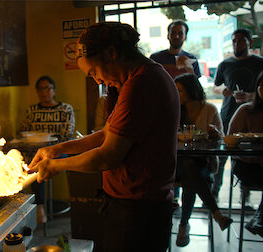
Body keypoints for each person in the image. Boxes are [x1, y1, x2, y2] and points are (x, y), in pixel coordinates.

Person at [28, 22, 180, 251]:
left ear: (111, 53)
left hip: (139, 211)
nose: (97, 80)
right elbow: (106, 134)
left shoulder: (142, 84)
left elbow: (107, 156)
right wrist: (57, 150)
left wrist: (57, 165)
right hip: (131, 206)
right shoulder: (136, 80)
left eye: (94, 72)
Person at [211, 28, 263, 202]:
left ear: (250, 42)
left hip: (253, 116)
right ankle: (214, 191)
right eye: (234, 41)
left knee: (249, 153)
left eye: (241, 40)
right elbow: (216, 87)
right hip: (227, 114)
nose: (237, 44)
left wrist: (251, 96)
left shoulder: (261, 63)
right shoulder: (225, 64)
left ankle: (245, 192)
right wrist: (223, 89)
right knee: (222, 156)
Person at [174, 74, 233, 247]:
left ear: (191, 91)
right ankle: (216, 213)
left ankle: (184, 225)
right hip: (177, 164)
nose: (176, 94)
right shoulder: (175, 110)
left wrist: (214, 135)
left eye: (180, 91)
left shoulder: (209, 110)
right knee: (189, 170)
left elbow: (220, 140)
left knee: (190, 174)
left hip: (203, 163)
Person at [228, 68, 263, 238]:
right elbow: (231, 145)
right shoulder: (245, 111)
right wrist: (258, 159)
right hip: (248, 166)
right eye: (262, 85)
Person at [150, 20, 201, 208]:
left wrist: (188, 70)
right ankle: (169, 193)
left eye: (180, 33)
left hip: (185, 111)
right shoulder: (156, 57)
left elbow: (196, 88)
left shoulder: (191, 58)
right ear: (168, 35)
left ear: (185, 36)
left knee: (182, 148)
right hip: (162, 110)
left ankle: (176, 196)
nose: (177, 36)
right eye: (174, 32)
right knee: (165, 149)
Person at [19, 75, 75, 223]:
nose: (44, 92)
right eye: (40, 89)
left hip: (59, 152)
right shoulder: (32, 111)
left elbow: (67, 135)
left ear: (54, 91)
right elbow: (23, 132)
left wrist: (48, 144)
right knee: (21, 161)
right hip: (33, 152)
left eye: (47, 88)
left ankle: (40, 207)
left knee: (43, 163)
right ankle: (20, 209)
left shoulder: (65, 109)